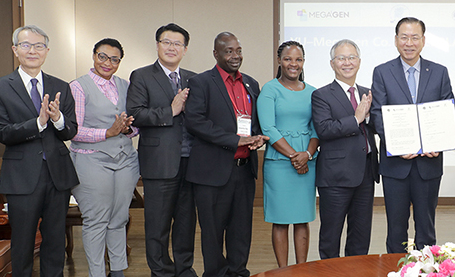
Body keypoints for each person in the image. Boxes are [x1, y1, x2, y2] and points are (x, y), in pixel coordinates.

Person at [0, 25, 78, 277]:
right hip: (21, 177)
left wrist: (58, 119)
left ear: (47, 51)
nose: (33, 51)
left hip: (58, 176)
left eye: (39, 46)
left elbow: (70, 132)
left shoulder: (61, 86)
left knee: (55, 241)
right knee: (23, 242)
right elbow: (1, 132)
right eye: (26, 45)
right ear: (15, 50)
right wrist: (38, 123)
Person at [184, 32, 268, 277]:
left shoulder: (251, 83)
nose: (235, 56)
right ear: (216, 54)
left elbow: (254, 121)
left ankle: (239, 272)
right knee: (212, 231)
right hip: (211, 172)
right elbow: (195, 122)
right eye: (229, 51)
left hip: (244, 169)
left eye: (238, 50)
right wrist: (235, 140)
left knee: (241, 230)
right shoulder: (201, 82)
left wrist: (258, 136)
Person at [371, 17, 454, 253]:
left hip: (429, 163)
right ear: (396, 40)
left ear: (424, 40)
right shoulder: (382, 72)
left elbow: (447, 111)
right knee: (396, 230)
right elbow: (377, 114)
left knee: (426, 229)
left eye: (415, 37)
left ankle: (425, 269)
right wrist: (396, 145)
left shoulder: (439, 72)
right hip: (395, 165)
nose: (409, 43)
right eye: (404, 37)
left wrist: (438, 143)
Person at [127, 23, 198, 277]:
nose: (172, 47)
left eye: (177, 43)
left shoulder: (193, 78)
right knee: (157, 225)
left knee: (186, 223)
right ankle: (161, 272)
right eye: (166, 42)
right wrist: (171, 110)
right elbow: (135, 114)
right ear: (157, 45)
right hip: (159, 162)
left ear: (185, 49)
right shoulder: (142, 75)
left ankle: (184, 269)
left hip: (191, 162)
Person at [69, 38, 140, 277]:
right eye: (102, 56)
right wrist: (108, 132)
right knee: (97, 220)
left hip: (125, 160)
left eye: (114, 59)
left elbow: (137, 124)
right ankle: (97, 273)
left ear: (120, 62)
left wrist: (128, 128)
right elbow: (73, 130)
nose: (107, 63)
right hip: (91, 160)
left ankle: (118, 271)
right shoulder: (78, 87)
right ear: (93, 55)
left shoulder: (126, 85)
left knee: (119, 218)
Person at [311, 39, 379, 259]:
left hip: (366, 174)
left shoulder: (368, 92)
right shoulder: (321, 95)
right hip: (335, 177)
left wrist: (369, 119)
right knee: (331, 237)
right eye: (341, 58)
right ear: (332, 63)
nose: (347, 62)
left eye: (351, 58)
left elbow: (378, 126)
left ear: (359, 62)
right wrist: (356, 118)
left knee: (360, 237)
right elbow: (324, 129)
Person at [257, 40, 319, 267]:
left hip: (307, 162)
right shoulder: (269, 89)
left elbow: (316, 128)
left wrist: (307, 155)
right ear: (279, 61)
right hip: (279, 163)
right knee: (281, 220)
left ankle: (301, 269)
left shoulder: (313, 92)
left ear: (303, 62)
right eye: (288, 58)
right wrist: (296, 156)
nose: (293, 64)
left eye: (298, 59)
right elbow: (268, 128)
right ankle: (282, 271)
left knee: (302, 219)